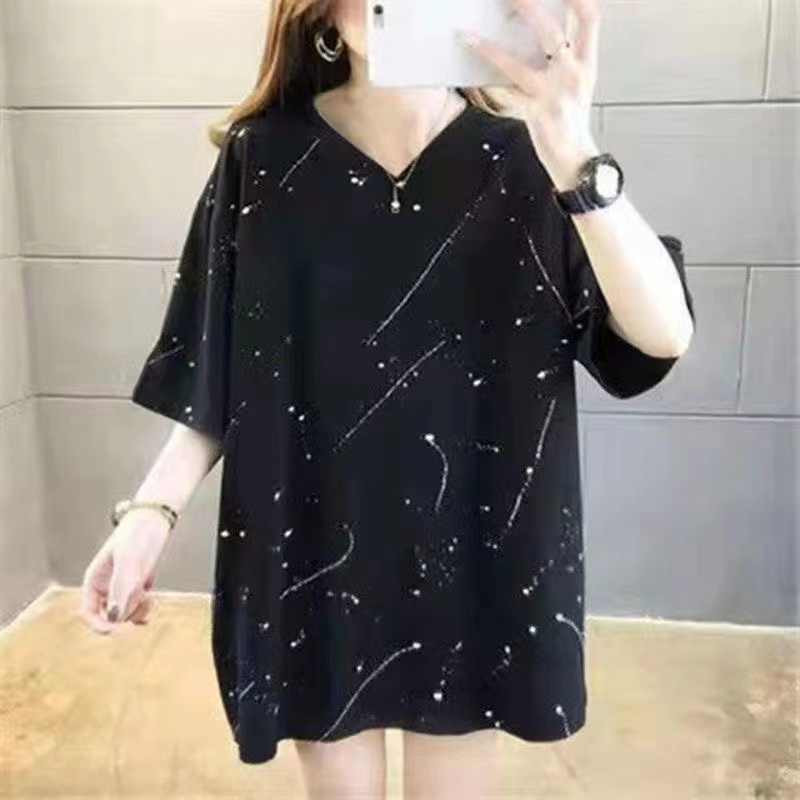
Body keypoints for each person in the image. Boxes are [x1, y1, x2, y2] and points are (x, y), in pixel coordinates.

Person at [81, 0, 696, 797]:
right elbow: (217, 369)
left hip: (477, 549)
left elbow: (661, 336)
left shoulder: (533, 157)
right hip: (311, 547)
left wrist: (574, 151)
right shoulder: (261, 158)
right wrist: (149, 514)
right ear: (318, 14)